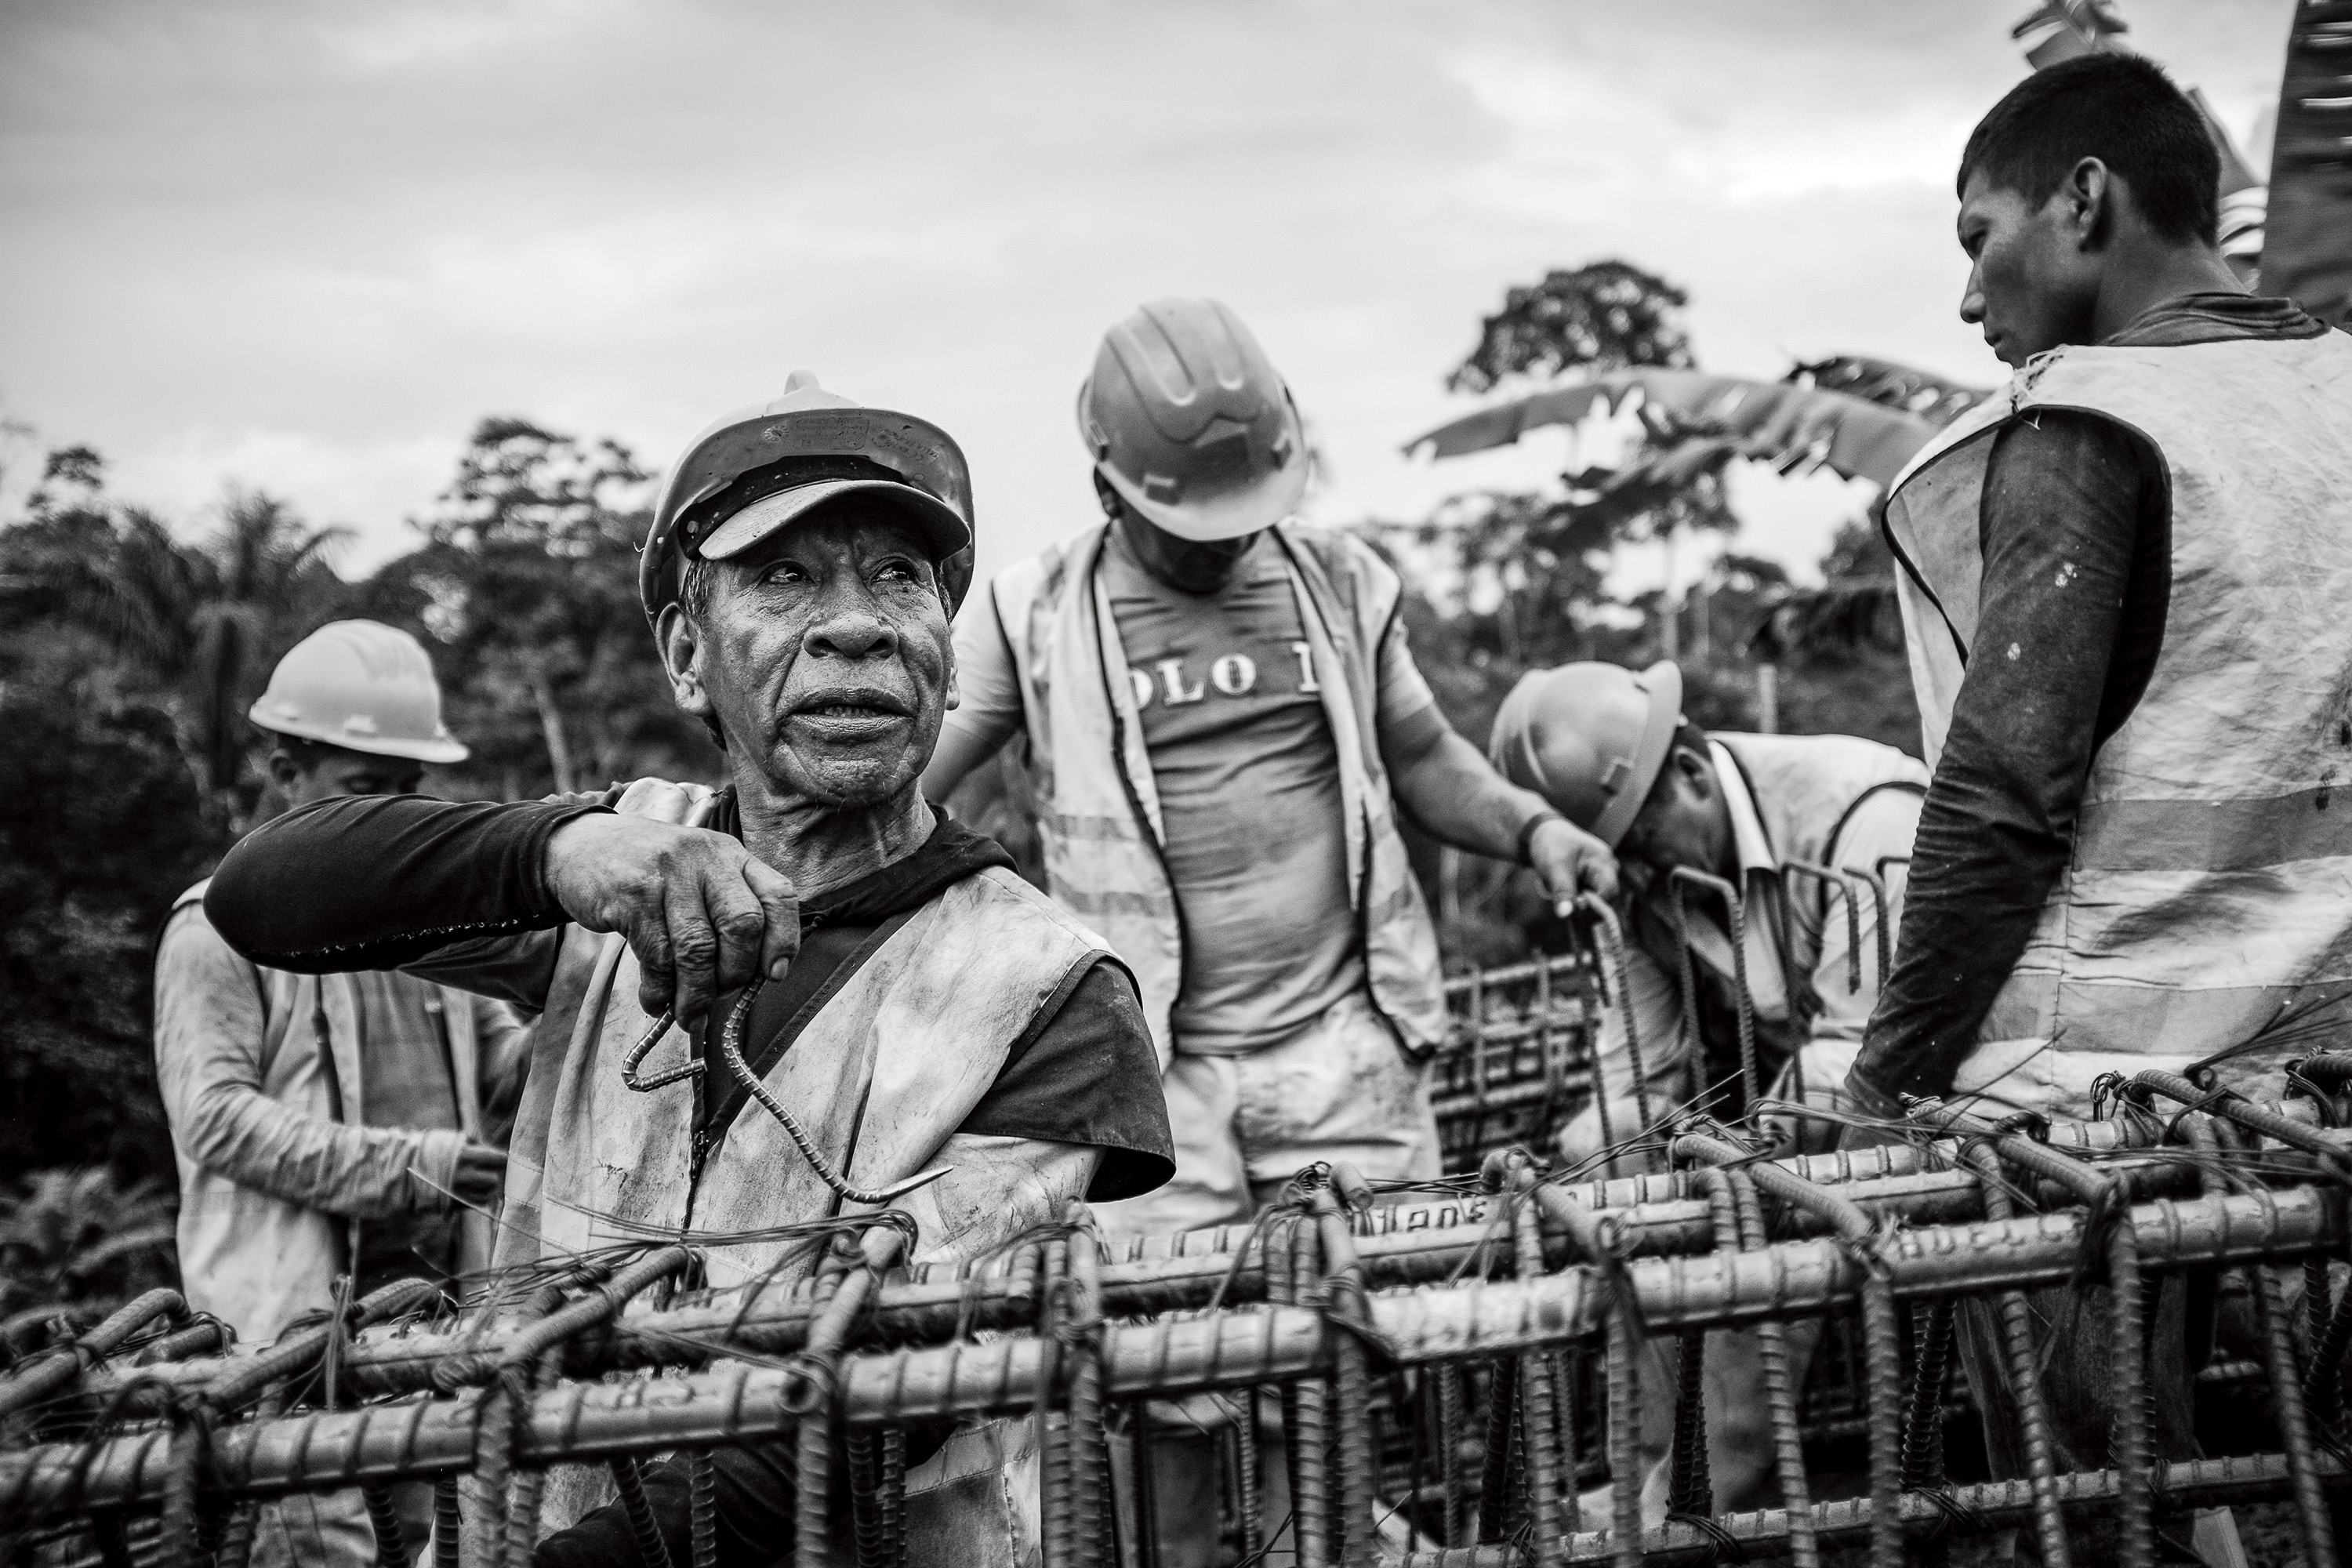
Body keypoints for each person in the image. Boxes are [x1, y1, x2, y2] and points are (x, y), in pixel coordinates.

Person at [205, 372, 1174, 1566]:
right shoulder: (608, 880)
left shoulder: (1051, 989)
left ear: (946, 652)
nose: (857, 622)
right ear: (684, 653)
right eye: (784, 577)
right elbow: (262, 896)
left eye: (898, 576)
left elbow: (887, 1392)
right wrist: (556, 847)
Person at [919, 299, 1615, 1566]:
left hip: (1341, 1049)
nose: (1226, 544)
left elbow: (1426, 761)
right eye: (1197, 525)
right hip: (1153, 1082)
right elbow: (926, 794)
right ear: (1110, 485)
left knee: (1337, 1363)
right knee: (1168, 1389)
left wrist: (1534, 833)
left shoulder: (1344, 586)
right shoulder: (1035, 613)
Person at [1855, 53, 2352, 1557]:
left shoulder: (2090, 424)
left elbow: (2003, 794)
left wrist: (1888, 1080)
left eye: (1974, 237)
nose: (1965, 300)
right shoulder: (2337, 394)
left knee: (2099, 1502)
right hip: (2330, 1060)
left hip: (2100, 1083)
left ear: (2084, 201)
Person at [1486, 657, 1926, 1519]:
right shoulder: (1642, 871)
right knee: (1605, 1147)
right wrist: (1603, 1149)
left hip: (1915, 1099)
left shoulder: (1861, 810)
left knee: (1762, 1166)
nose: (1634, 879)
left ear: (1689, 771)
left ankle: (1713, 1472)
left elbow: (1857, 1063)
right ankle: (1653, 1461)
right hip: (1786, 1102)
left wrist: (1729, 1145)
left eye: (1638, 849)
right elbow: (1634, 1077)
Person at [154, 619, 531, 1566]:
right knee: (321, 1548)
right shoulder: (213, 931)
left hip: (436, 1321)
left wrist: (595, 1000)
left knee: (454, 1543)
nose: (392, 819)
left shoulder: (429, 924)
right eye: (365, 791)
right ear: (284, 774)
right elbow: (215, 1117)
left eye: (407, 794)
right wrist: (422, 1163)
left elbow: (503, 1063)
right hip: (291, 1339)